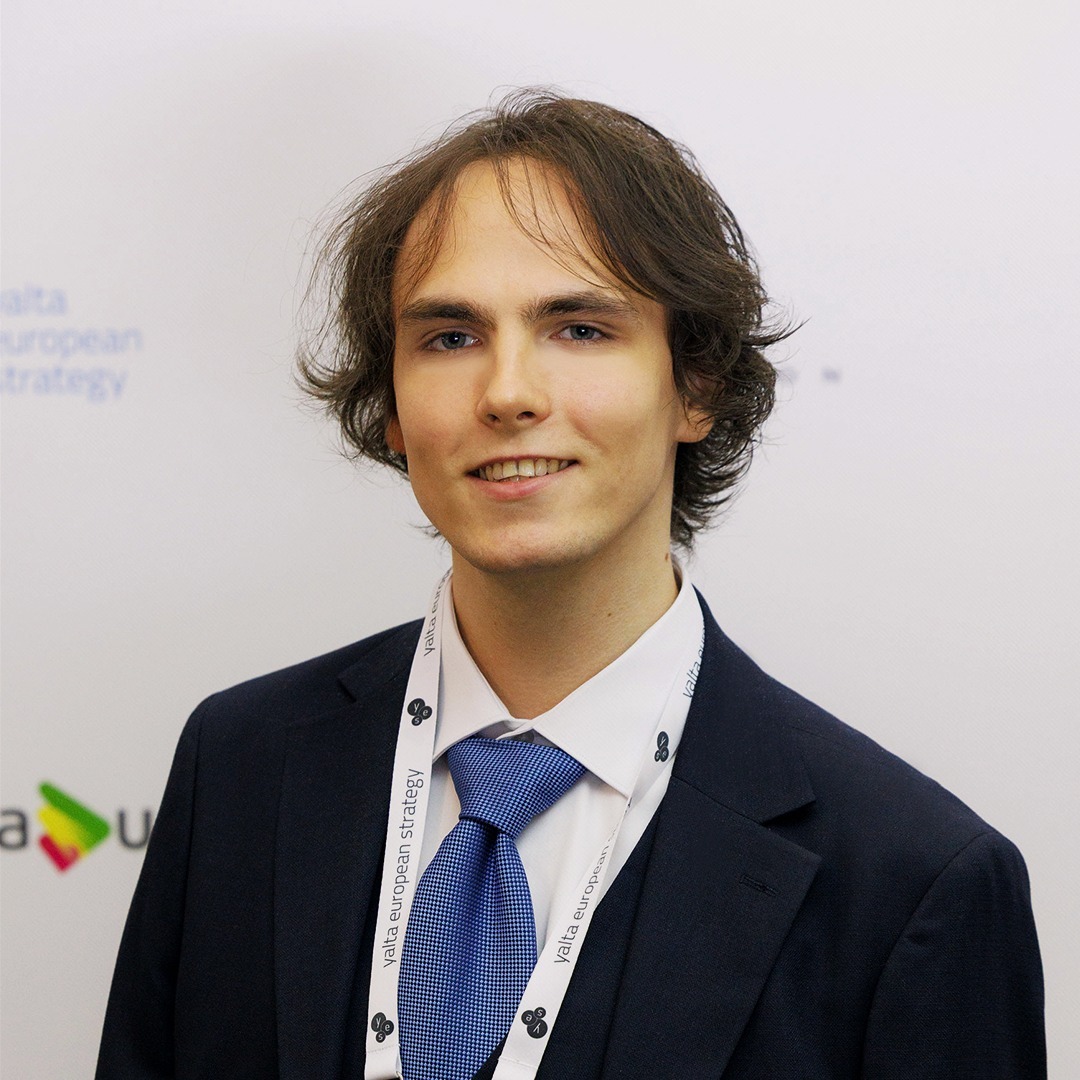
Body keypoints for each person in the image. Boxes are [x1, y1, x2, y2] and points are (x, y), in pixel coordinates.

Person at [96, 90, 1045, 1079]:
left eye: (580, 328)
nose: (508, 392)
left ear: (696, 385)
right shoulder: (241, 766)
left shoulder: (913, 883)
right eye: (450, 337)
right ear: (392, 407)